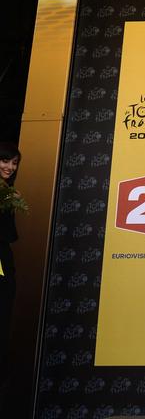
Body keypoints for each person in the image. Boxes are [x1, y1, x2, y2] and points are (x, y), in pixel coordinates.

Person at [0, 142, 21, 405]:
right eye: (5, 161)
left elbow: (11, 234)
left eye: (14, 163)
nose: (10, 167)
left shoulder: (8, 193)